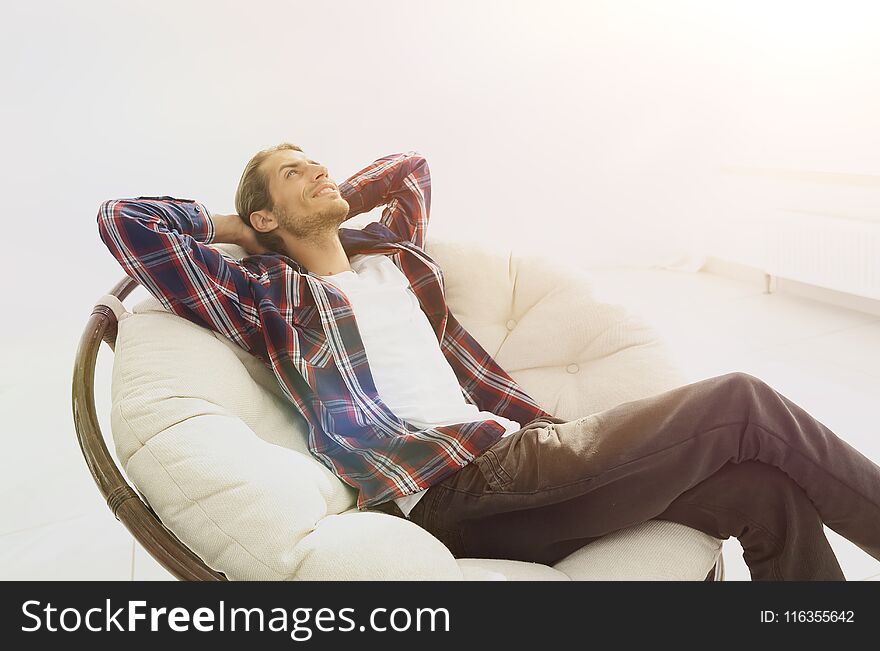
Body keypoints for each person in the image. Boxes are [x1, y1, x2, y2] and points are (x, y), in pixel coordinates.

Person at [98, 143, 880, 581]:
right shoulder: (267, 291)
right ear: (264, 212)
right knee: (739, 401)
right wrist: (248, 227)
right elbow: (125, 223)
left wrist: (316, 199)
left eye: (317, 159)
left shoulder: (396, 256)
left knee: (763, 489)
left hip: (513, 460)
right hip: (452, 485)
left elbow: (410, 168)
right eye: (294, 172)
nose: (319, 170)